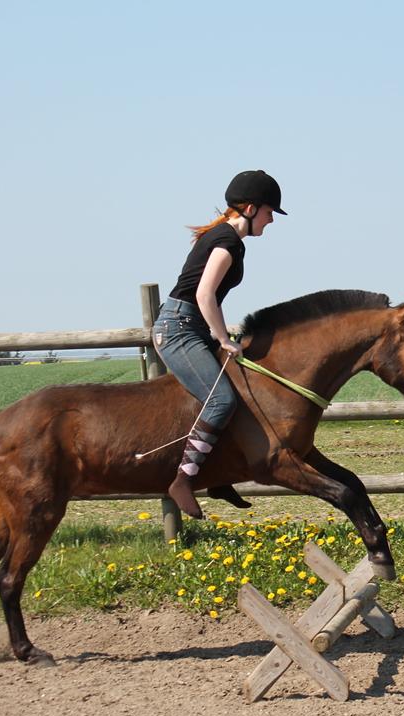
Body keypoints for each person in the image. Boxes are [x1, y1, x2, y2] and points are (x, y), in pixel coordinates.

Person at [152, 170, 287, 518]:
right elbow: (204, 293)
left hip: (190, 326)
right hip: (178, 329)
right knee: (221, 399)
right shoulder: (227, 242)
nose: (272, 220)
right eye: (270, 211)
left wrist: (216, 334)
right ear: (251, 208)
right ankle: (183, 480)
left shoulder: (224, 236)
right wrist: (224, 339)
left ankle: (217, 475)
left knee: (238, 394)